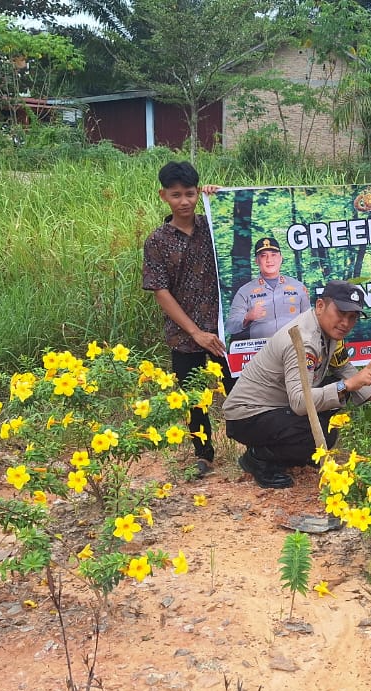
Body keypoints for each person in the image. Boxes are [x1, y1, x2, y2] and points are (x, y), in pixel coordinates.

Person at [222, 280, 371, 488]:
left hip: (276, 407)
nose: (346, 323)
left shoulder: (328, 331)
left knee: (328, 428)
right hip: (247, 417)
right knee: (321, 432)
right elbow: (299, 403)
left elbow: (342, 367)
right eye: (341, 313)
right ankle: (258, 459)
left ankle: (290, 453)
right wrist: (348, 385)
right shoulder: (304, 341)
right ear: (320, 306)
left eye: (352, 318)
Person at [141, 160, 232, 477]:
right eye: (176, 195)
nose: (184, 201)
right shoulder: (157, 241)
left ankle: (255, 446)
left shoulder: (212, 226)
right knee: (194, 399)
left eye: (191, 194)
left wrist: (219, 199)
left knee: (240, 389)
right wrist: (195, 333)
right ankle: (203, 455)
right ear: (163, 195)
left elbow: (240, 225)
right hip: (185, 335)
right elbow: (160, 291)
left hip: (224, 331)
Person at [224, 237, 310, 341]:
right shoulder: (245, 291)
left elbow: (309, 322)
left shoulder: (298, 287)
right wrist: (247, 317)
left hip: (293, 348)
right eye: (263, 256)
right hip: (261, 352)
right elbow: (230, 326)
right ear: (256, 260)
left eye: (273, 255)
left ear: (281, 258)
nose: (269, 260)